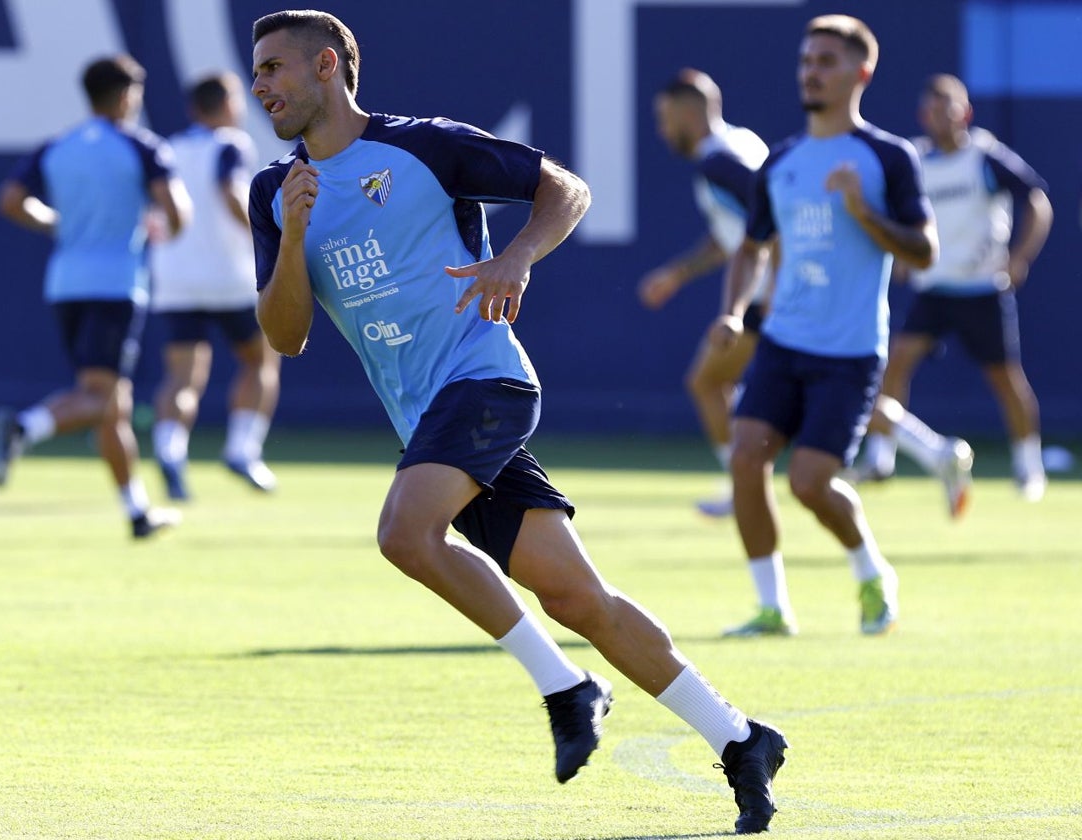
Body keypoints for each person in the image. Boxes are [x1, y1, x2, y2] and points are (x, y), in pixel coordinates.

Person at [247, 10, 786, 834]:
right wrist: (292, 235)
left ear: (328, 66)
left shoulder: (424, 147)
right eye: (256, 72)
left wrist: (516, 257)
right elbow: (285, 336)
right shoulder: (273, 191)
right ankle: (741, 738)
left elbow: (565, 190)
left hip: (486, 381)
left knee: (404, 534)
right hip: (429, 418)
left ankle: (566, 688)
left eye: (275, 69)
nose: (261, 86)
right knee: (581, 599)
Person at [712, 15, 938, 637]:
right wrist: (733, 312)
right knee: (745, 462)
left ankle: (871, 573)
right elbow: (752, 246)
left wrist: (863, 210)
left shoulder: (888, 157)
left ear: (861, 73)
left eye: (827, 61)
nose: (812, 71)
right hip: (783, 341)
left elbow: (924, 252)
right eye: (807, 60)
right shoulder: (781, 160)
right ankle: (771, 608)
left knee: (812, 483)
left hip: (851, 351)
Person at [0, 54, 192, 539]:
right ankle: (24, 426)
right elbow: (178, 214)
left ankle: (137, 512)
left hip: (65, 286)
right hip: (115, 286)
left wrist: (56, 223)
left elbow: (10, 200)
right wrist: (157, 227)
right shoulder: (142, 146)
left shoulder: (58, 146)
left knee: (111, 405)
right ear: (126, 96)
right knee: (101, 398)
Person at [854, 74, 1053, 504]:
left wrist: (1019, 258)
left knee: (1005, 379)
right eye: (932, 108)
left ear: (966, 113)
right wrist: (904, 254)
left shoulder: (984, 155)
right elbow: (897, 215)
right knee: (896, 364)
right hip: (934, 288)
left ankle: (1028, 467)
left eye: (949, 108)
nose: (940, 117)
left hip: (983, 288)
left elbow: (1036, 200)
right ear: (922, 115)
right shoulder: (915, 159)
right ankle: (880, 457)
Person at [637, 69, 770, 518]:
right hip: (771, 292)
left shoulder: (719, 161)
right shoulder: (741, 142)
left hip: (771, 295)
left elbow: (774, 222)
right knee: (712, 381)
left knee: (710, 381)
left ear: (689, 112)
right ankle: (743, 485)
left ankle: (743, 487)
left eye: (665, 117)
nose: (661, 129)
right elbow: (731, 235)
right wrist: (676, 273)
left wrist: (781, 291)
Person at [149, 71, 282, 501]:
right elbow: (229, 191)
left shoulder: (167, 149)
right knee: (260, 360)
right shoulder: (230, 143)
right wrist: (264, 236)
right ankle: (243, 450)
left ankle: (170, 452)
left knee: (182, 376)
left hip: (175, 279)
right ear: (225, 106)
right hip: (229, 277)